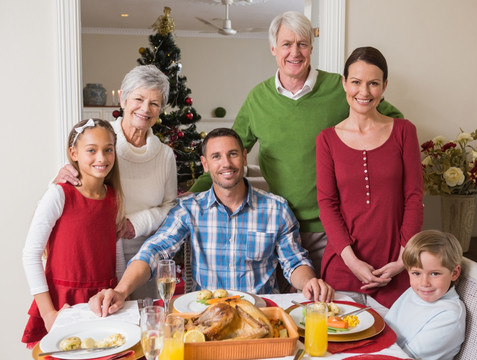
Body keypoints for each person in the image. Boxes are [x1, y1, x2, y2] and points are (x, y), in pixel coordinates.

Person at [189, 11, 404, 281]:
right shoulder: (258, 98)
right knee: (290, 308)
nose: (295, 52)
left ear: (311, 48)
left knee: (332, 308)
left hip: (336, 228)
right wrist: (193, 192)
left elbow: (392, 121)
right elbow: (226, 153)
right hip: (280, 226)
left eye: (302, 44)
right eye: (286, 44)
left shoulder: (341, 88)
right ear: (273, 48)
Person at [89, 128, 335, 317]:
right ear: (205, 164)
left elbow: (294, 262)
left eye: (232, 154)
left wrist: (310, 282)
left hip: (261, 315)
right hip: (206, 316)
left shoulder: (276, 208)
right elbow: (154, 251)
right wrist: (121, 291)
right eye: (216, 156)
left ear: (244, 157)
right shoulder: (189, 209)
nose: (226, 163)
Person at [54, 65, 178, 300]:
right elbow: (73, 185)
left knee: (140, 321)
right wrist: (61, 176)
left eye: (154, 103)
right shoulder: (100, 141)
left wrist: (136, 223)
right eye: (138, 99)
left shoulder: (164, 156)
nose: (145, 109)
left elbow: (170, 207)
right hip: (96, 248)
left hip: (143, 254)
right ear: (122, 99)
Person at [316, 46, 424, 308]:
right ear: (344, 83)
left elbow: (414, 197)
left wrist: (402, 261)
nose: (363, 92)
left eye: (373, 83)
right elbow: (327, 204)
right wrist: (353, 263)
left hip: (395, 269)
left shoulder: (404, 131)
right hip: (342, 269)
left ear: (384, 86)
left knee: (395, 348)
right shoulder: (327, 139)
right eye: (356, 82)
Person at [22, 119, 124, 346]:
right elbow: (30, 255)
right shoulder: (59, 195)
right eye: (92, 150)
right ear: (73, 153)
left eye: (108, 150)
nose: (102, 158)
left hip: (102, 302)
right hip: (63, 302)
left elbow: (116, 252)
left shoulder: (113, 197)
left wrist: (120, 293)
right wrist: (48, 314)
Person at [384, 230, 466, 360]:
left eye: (434, 274)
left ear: (454, 273)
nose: (424, 283)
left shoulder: (450, 316)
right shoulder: (414, 292)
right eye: (416, 273)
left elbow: (405, 357)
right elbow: (386, 329)